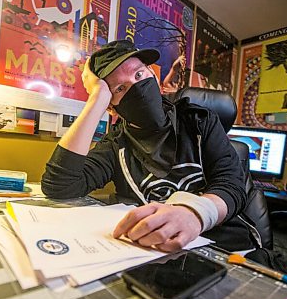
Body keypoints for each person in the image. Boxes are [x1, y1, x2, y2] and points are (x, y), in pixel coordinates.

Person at [41, 39, 254, 253]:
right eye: (120, 88)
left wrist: (194, 213)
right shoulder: (116, 145)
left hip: (226, 250)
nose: (136, 88)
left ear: (153, 75)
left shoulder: (199, 121)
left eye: (139, 74)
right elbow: (59, 187)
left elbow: (232, 185)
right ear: (112, 107)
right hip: (157, 254)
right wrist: (96, 100)